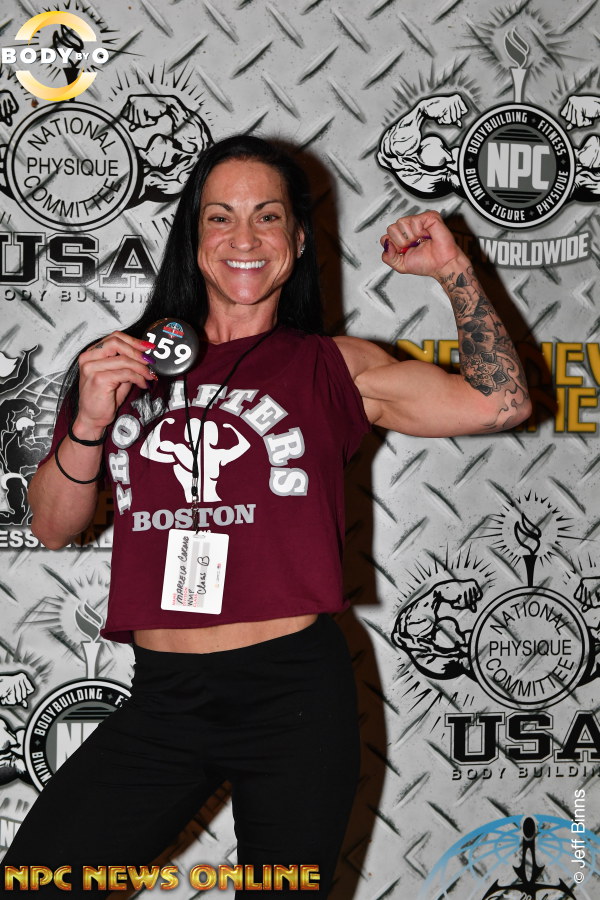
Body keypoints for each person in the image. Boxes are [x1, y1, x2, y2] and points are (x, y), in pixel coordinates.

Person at [1, 135, 531, 896]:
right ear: (194, 238)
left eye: (268, 216)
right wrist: (89, 418)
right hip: (165, 697)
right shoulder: (123, 365)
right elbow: (53, 526)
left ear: (298, 240)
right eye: (220, 217)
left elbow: (501, 403)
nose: (243, 238)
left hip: (293, 700)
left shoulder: (334, 365)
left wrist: (454, 270)